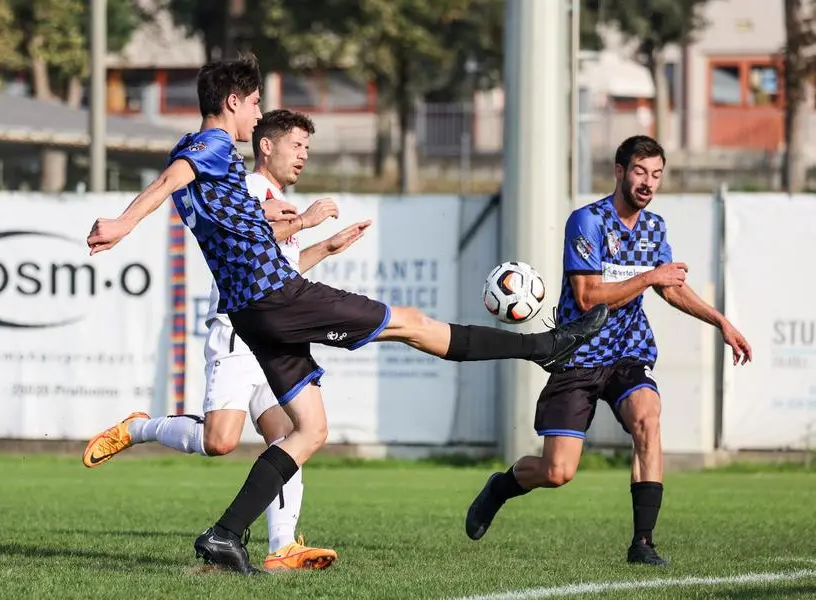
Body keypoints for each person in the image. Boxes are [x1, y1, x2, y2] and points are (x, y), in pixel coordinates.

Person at [85, 54, 609, 575]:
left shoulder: (210, 161)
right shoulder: (214, 144)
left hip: (252, 314)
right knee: (411, 325)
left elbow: (214, 205)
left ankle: (225, 536)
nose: (257, 114)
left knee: (309, 430)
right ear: (233, 103)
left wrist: (269, 217)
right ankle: (545, 346)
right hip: (277, 298)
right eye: (256, 104)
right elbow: (173, 178)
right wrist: (124, 222)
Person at [81, 109, 369, 572]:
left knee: (289, 434)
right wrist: (306, 222)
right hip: (237, 331)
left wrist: (328, 248)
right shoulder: (248, 189)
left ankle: (282, 547)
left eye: (308, 150)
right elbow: (257, 241)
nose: (304, 157)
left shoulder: (272, 194)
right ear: (267, 146)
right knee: (219, 442)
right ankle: (139, 428)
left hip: (268, 334)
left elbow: (280, 274)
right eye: (297, 146)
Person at [463, 135, 752, 567]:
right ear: (619, 171)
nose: (648, 183)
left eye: (656, 174)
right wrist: (650, 277)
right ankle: (500, 487)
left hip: (628, 351)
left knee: (648, 420)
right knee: (557, 471)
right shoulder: (587, 221)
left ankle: (643, 544)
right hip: (577, 353)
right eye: (640, 172)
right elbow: (586, 296)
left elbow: (670, 289)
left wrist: (721, 322)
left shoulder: (654, 228)